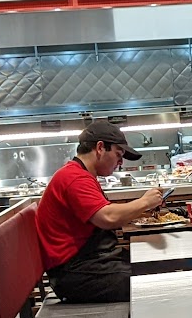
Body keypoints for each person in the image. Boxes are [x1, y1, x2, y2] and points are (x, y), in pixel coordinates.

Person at [37, 122, 164, 303]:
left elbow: (106, 215)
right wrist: (144, 202)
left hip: (89, 264)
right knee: (154, 281)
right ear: (100, 148)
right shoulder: (74, 178)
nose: (120, 163)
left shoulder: (80, 174)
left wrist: (141, 210)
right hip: (75, 273)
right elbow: (107, 217)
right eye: (118, 155)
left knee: (153, 264)